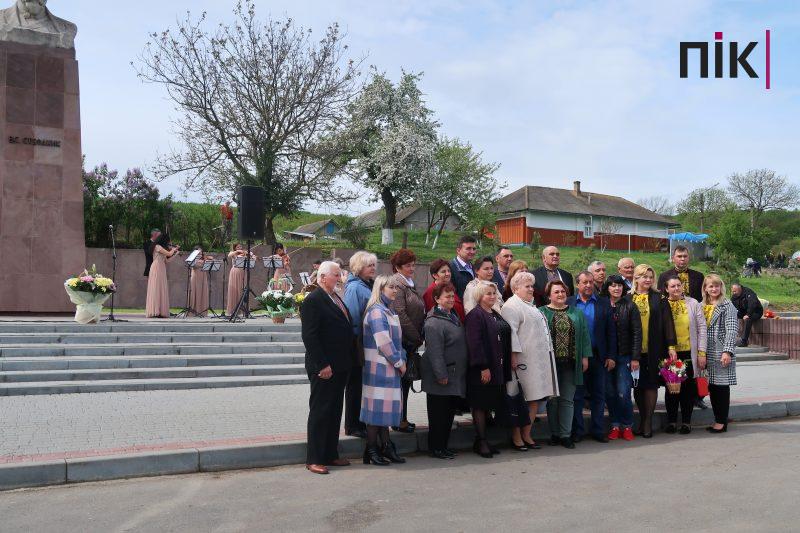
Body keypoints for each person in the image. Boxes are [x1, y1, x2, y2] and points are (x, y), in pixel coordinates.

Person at [300, 261, 355, 475]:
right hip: (324, 366)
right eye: (336, 275)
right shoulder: (313, 300)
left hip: (340, 364)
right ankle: (314, 458)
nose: (340, 278)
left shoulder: (334, 296)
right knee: (321, 411)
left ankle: (331, 453)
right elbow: (310, 336)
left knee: (334, 411)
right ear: (323, 277)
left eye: (340, 274)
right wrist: (322, 364)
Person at [500, 272, 559, 450]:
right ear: (515, 288)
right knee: (519, 399)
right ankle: (517, 436)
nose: (531, 289)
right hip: (521, 362)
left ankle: (527, 434)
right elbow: (510, 333)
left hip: (536, 360)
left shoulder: (529, 305)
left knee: (534, 398)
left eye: (532, 286)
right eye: (527, 286)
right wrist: (513, 356)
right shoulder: (512, 306)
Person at [360, 275, 407, 466]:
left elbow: (396, 342)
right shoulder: (377, 312)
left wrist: (400, 358)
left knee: (383, 411)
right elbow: (384, 343)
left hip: (387, 368)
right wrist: (399, 362)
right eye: (391, 287)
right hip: (379, 368)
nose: (395, 290)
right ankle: (371, 450)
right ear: (380, 289)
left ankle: (385, 446)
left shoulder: (387, 310)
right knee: (375, 412)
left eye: (396, 287)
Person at [539, 280, 592, 449]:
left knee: (567, 400)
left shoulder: (576, 313)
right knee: (553, 400)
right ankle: (554, 434)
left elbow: (584, 336)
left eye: (562, 291)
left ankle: (565, 435)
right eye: (556, 292)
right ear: (549, 295)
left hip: (571, 363)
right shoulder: (541, 312)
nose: (560, 294)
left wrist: (585, 357)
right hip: (550, 364)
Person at [628, 264, 677, 438]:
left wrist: (671, 346)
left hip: (654, 348)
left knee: (651, 384)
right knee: (638, 386)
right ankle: (641, 420)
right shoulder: (628, 298)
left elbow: (668, 323)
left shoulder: (659, 298)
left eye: (650, 277)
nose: (648, 280)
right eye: (644, 276)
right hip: (633, 350)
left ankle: (648, 421)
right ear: (636, 278)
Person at [568, 271, 617, 443]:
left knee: (598, 395)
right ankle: (578, 431)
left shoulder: (603, 303)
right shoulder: (569, 303)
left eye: (590, 282)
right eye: (584, 282)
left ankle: (597, 430)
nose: (588, 285)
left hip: (599, 356)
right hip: (576, 357)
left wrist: (611, 355)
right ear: (577, 285)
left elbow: (611, 332)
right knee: (578, 396)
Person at [421, 282, 468, 459]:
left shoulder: (452, 315)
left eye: (452, 296)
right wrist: (441, 375)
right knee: (438, 415)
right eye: (447, 296)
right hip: (442, 377)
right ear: (436, 299)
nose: (451, 299)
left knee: (447, 414)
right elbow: (435, 352)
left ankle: (443, 446)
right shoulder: (433, 322)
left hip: (454, 374)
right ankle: (436, 448)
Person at [464, 281, 508, 458]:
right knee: (480, 405)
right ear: (479, 296)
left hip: (496, 366)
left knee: (488, 403)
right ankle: (480, 441)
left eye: (494, 293)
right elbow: (475, 343)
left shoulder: (494, 313)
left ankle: (484, 440)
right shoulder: (476, 315)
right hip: (482, 368)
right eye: (488, 293)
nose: (493, 296)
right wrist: (483, 366)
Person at [664, 275, 707, 434]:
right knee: (672, 389)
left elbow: (702, 328)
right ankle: (671, 421)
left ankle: (686, 422)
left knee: (688, 389)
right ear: (666, 288)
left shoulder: (693, 303)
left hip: (689, 351)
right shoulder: (663, 304)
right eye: (672, 286)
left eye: (678, 285)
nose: (676, 289)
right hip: (672, 354)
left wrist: (702, 352)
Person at [342, 251, 378, 439]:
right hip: (358, 342)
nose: (373, 268)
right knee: (355, 385)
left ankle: (360, 421)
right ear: (358, 268)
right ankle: (353, 424)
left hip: (368, 341)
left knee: (361, 384)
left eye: (373, 264)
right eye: (368, 265)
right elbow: (353, 316)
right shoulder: (355, 288)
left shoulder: (368, 285)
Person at [601, 275, 641, 442]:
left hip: (625, 356)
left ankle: (627, 425)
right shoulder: (602, 305)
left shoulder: (630, 305)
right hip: (606, 356)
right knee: (609, 392)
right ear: (607, 288)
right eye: (613, 285)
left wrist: (635, 357)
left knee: (623, 392)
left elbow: (637, 333)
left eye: (619, 285)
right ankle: (615, 425)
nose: (616, 288)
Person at [389, 249, 425, 434]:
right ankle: (398, 420)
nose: (412, 268)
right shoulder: (397, 282)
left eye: (413, 264)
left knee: (405, 383)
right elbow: (400, 313)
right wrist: (416, 336)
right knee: (401, 383)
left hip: (410, 341)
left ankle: (402, 418)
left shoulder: (409, 282)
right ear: (398, 267)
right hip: (403, 340)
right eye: (408, 265)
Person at [702, 274, 738, 433]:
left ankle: (721, 422)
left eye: (717, 286)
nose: (714, 289)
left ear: (721, 287)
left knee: (721, 387)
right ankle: (719, 418)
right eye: (710, 286)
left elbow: (732, 330)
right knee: (711, 387)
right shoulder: (701, 304)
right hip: (705, 351)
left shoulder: (727, 305)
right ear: (705, 288)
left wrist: (727, 351)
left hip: (720, 351)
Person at [145, 235, 179, 318]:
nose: (168, 244)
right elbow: (168, 253)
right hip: (156, 267)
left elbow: (167, 260)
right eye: (167, 242)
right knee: (156, 288)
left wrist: (175, 254)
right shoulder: (157, 246)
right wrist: (174, 249)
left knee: (161, 288)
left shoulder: (162, 248)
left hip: (162, 268)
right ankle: (154, 311)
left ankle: (160, 311)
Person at [731, 283, 764, 347]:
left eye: (735, 291)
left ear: (740, 289)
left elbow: (752, 304)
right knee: (731, 317)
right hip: (743, 312)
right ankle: (731, 339)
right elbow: (731, 306)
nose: (734, 293)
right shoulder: (734, 296)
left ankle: (744, 341)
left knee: (748, 319)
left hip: (755, 311)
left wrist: (748, 314)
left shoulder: (748, 292)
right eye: (733, 291)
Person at [226, 243, 254, 317]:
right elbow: (229, 255)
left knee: (243, 291)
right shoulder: (233, 253)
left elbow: (252, 256)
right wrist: (238, 252)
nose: (240, 248)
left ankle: (245, 310)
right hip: (235, 272)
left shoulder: (244, 253)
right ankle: (234, 310)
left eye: (240, 246)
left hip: (243, 273)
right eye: (238, 247)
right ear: (235, 248)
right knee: (235, 291)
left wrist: (249, 254)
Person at [188, 247, 212, 317]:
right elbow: (193, 265)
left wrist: (208, 259)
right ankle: (193, 311)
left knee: (203, 292)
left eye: (201, 252)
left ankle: (202, 311)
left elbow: (209, 264)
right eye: (199, 252)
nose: (200, 253)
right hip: (195, 277)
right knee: (195, 292)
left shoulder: (203, 259)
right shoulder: (192, 259)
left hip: (203, 277)